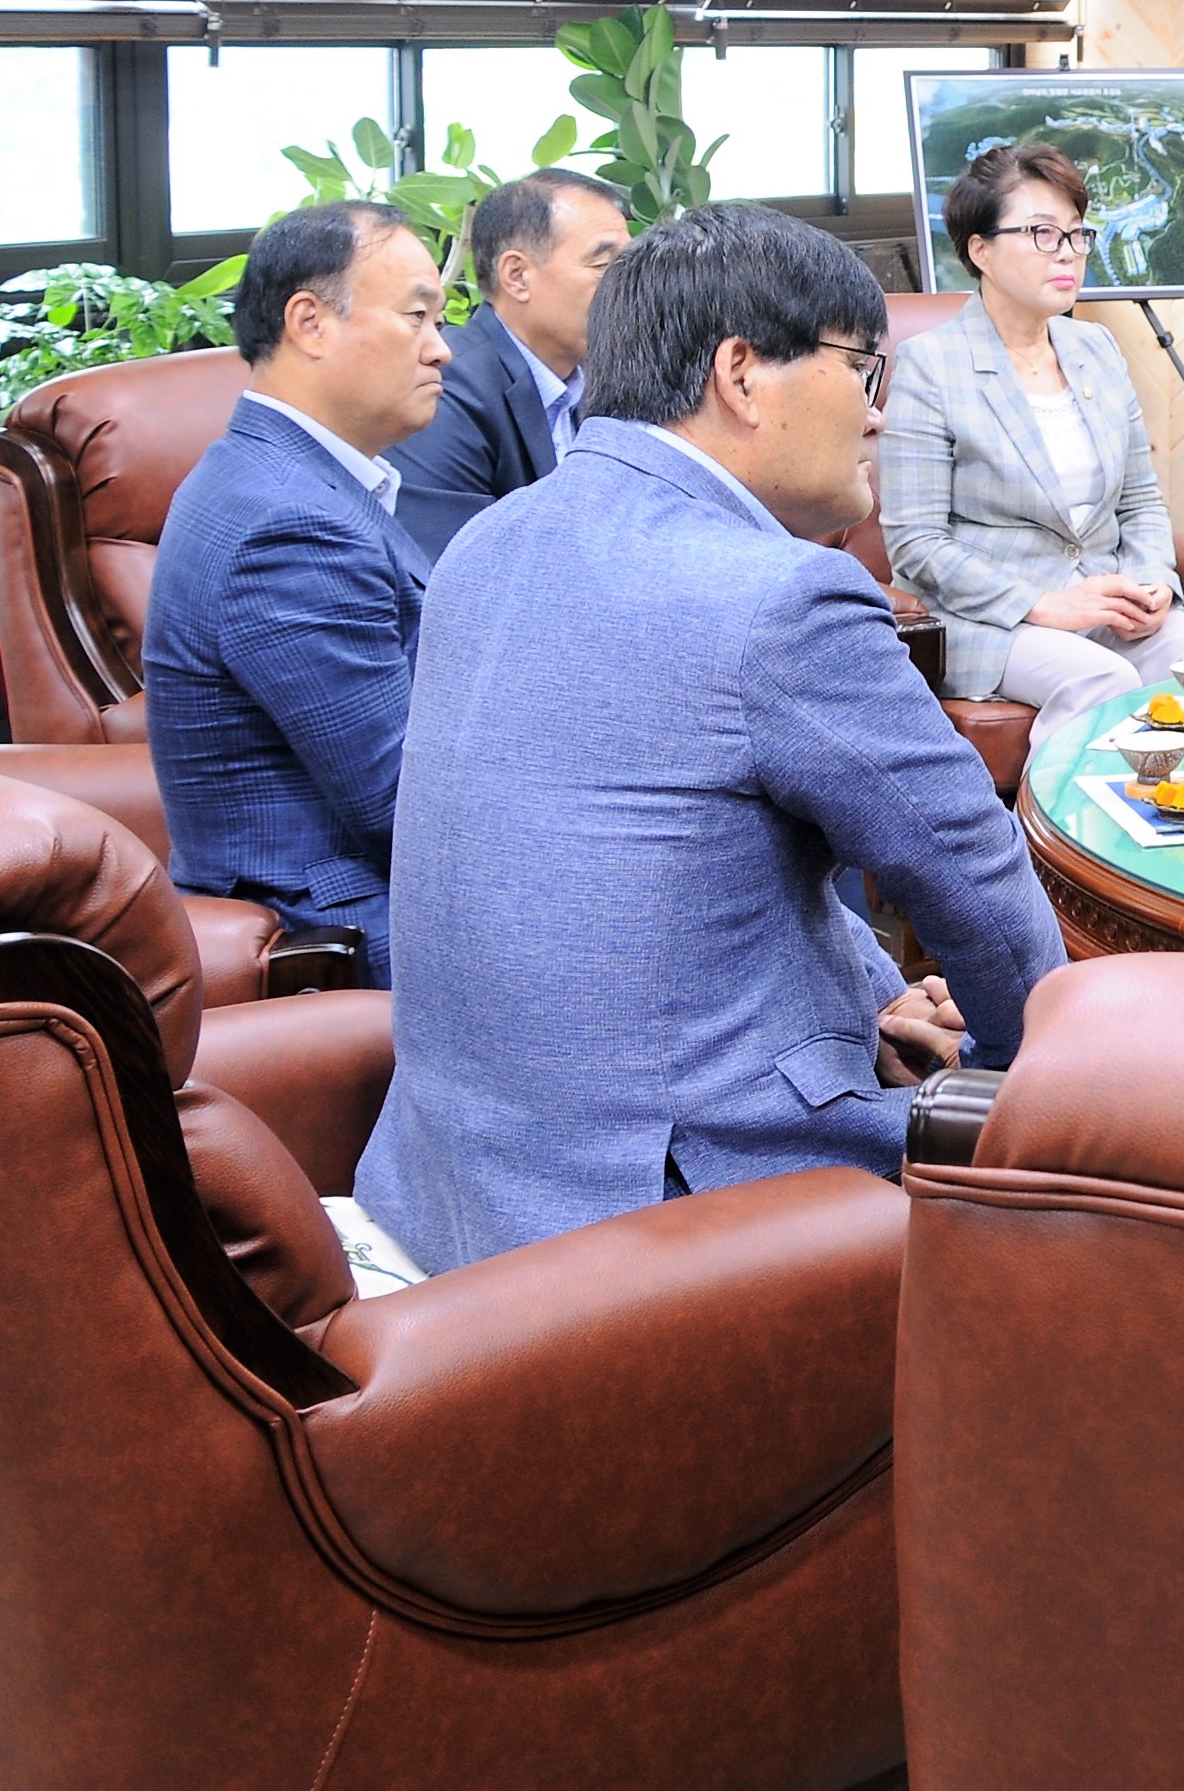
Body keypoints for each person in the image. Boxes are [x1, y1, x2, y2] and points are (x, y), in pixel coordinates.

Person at [356, 204, 1068, 1274]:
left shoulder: (483, 544)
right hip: (667, 1225)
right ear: (741, 375)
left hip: (453, 1194)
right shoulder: (782, 596)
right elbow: (971, 871)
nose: (880, 415)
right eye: (864, 371)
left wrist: (873, 993)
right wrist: (1020, 1090)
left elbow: (673, 862)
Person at [142, 200, 448, 986]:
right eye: (416, 316)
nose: (441, 351)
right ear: (310, 323)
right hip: (342, 927)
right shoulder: (289, 526)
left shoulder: (287, 479)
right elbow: (408, 807)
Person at [879, 142, 1184, 739]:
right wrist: (1041, 604)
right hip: (990, 621)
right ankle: (1048, 833)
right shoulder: (930, 365)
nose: (1067, 254)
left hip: (1103, 605)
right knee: (1100, 681)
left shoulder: (1097, 351)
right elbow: (916, 543)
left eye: (1076, 234)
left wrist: (1149, 585)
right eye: (1043, 234)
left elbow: (1140, 502)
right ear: (980, 250)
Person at [387, 165, 632, 559]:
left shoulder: (616, 376)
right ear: (517, 276)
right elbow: (458, 573)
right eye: (604, 265)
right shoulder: (446, 388)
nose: (629, 285)